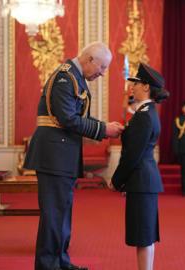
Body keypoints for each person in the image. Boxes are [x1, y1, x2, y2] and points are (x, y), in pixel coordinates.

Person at [24, 41, 124, 270]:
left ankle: (60, 261)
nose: (103, 73)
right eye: (102, 67)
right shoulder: (65, 78)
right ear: (90, 60)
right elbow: (67, 119)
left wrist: (101, 127)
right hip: (54, 155)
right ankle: (48, 265)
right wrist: (102, 129)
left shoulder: (73, 78)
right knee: (53, 214)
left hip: (61, 154)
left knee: (62, 212)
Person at [111, 63, 169, 270]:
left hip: (141, 180)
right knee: (143, 235)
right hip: (143, 181)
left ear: (146, 87)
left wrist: (117, 180)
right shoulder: (146, 113)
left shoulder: (144, 116)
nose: (131, 87)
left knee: (143, 236)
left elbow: (133, 154)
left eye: (135, 83)